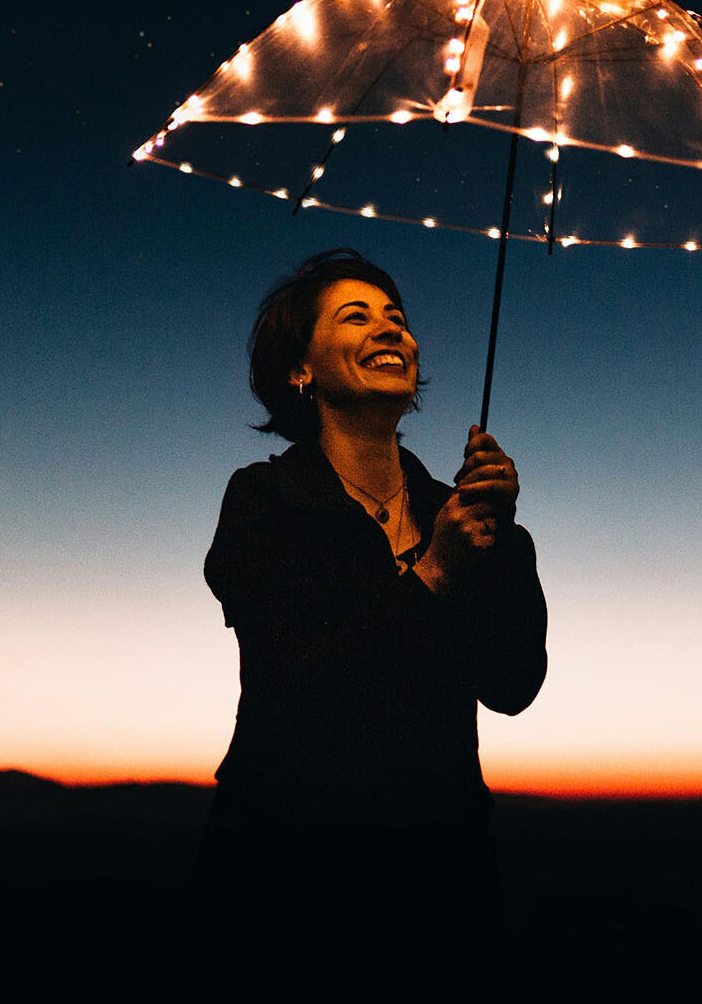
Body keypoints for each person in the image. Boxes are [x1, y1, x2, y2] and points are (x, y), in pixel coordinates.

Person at [191, 247, 548, 957]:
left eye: (399, 319)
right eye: (357, 318)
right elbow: (303, 683)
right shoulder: (265, 503)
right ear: (300, 370)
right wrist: (435, 574)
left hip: (441, 880)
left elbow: (511, 686)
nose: (393, 332)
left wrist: (501, 541)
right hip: (286, 879)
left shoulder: (457, 515)